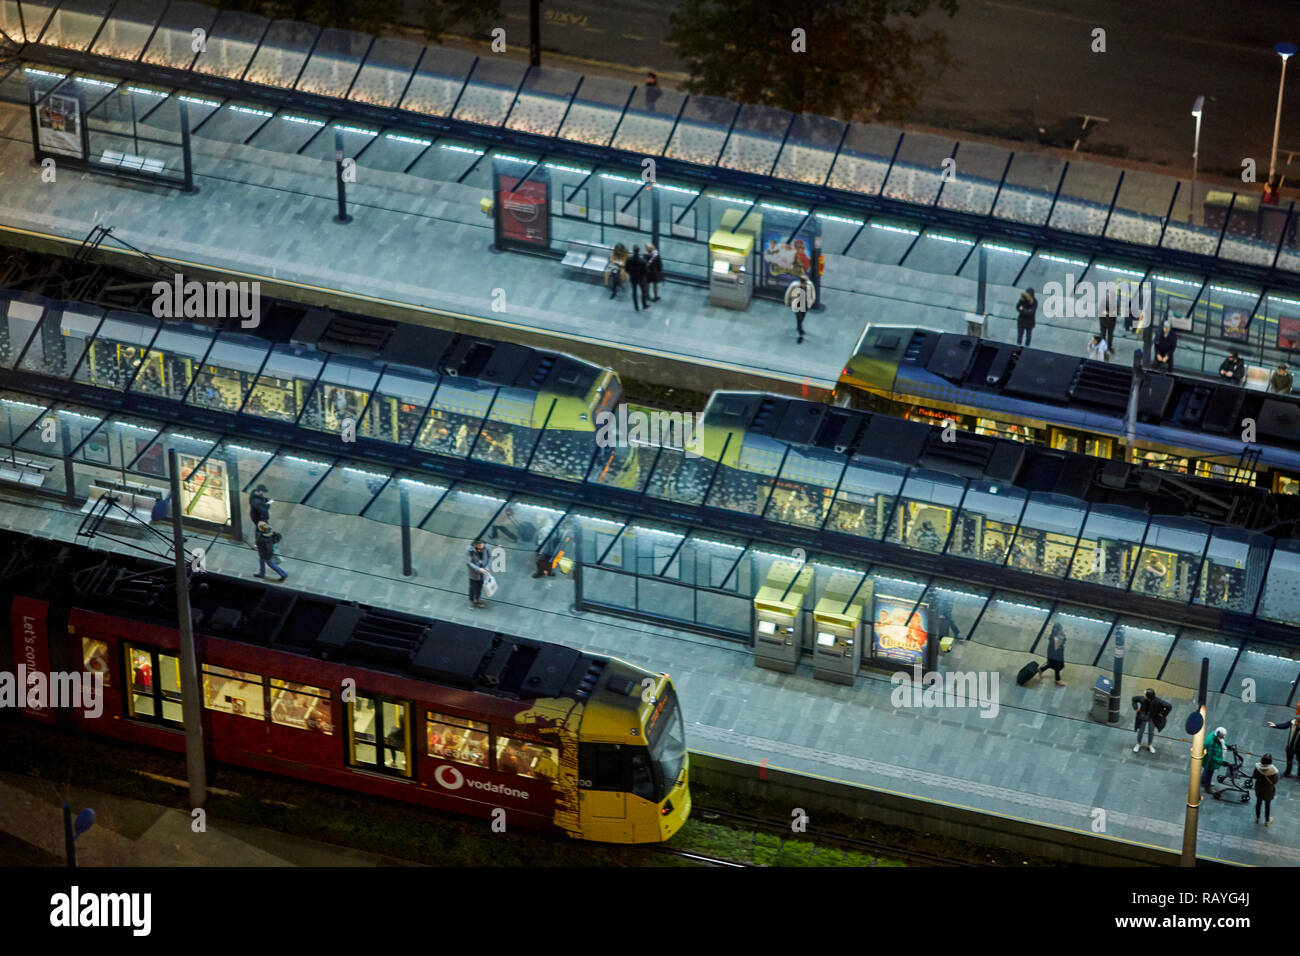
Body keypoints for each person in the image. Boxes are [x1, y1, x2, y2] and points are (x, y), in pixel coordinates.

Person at [1266, 701, 1300, 776]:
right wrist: (1275, 725)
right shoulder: (1293, 722)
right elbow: (1285, 725)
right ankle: (1288, 772)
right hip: (1290, 746)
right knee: (1289, 760)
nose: (1296, 721)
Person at [1130, 687, 1168, 754]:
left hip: (1152, 717)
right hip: (1143, 716)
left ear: (1148, 697)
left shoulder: (1157, 701)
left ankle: (1149, 745)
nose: (1143, 695)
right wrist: (1135, 708)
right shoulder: (1142, 699)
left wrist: (1163, 714)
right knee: (1141, 730)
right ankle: (1138, 743)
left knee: (1151, 731)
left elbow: (1169, 706)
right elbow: (1134, 699)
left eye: (1145, 694)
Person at [784, 273, 815, 344]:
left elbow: (813, 293)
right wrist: (787, 302)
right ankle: (800, 332)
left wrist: (811, 301)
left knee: (803, 316)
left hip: (805, 304)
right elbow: (788, 293)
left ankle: (799, 326)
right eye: (805, 283)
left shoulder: (809, 285)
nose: (806, 284)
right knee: (799, 318)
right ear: (801, 282)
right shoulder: (794, 285)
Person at [1253, 753, 1280, 826]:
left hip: (1259, 788)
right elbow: (1275, 781)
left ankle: (1257, 817)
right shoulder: (1273, 770)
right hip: (1268, 790)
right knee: (1267, 804)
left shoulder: (1257, 767)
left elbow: (1254, 776)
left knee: (1258, 802)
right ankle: (1267, 821)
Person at [1202, 726, 1227, 796]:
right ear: (1218, 734)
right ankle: (1207, 788)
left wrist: (1228, 746)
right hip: (1209, 761)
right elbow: (1212, 756)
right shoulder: (1212, 743)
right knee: (1209, 773)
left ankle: (1203, 781)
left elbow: (1221, 742)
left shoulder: (1215, 735)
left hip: (1207, 759)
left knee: (1206, 771)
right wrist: (1221, 762)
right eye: (1222, 736)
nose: (1224, 737)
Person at [466, 538, 490, 609]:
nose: (481, 547)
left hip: (483, 571)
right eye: (479, 545)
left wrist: (487, 566)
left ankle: (478, 598)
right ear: (475, 545)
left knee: (480, 585)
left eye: (482, 545)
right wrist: (478, 569)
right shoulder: (470, 550)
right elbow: (468, 562)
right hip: (474, 572)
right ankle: (472, 599)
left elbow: (490, 556)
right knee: (473, 586)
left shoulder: (486, 548)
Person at [1041, 622, 1067, 686]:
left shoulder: (1055, 635)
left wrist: (1063, 637)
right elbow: (1056, 648)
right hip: (1055, 655)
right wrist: (1062, 638)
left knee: (1051, 664)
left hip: (1054, 654)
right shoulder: (1055, 638)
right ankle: (1057, 680)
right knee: (1057, 667)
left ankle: (1041, 669)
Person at [625, 245, 649, 311]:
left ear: (633, 250)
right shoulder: (642, 261)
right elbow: (645, 271)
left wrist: (631, 273)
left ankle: (636, 307)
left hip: (633, 277)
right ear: (639, 251)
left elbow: (626, 269)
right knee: (643, 291)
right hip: (640, 278)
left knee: (634, 292)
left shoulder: (629, 259)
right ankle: (644, 304)